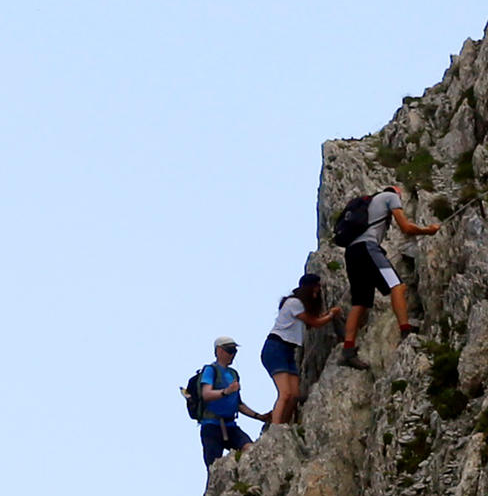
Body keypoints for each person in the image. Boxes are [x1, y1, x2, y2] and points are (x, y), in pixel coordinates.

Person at [337, 183, 440, 367]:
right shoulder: (390, 197)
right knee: (397, 286)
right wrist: (428, 231)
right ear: (397, 194)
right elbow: (406, 228)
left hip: (352, 253)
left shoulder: (369, 204)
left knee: (360, 303)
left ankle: (348, 350)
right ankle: (406, 330)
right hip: (368, 249)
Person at [262, 273, 342, 424]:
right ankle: (276, 428)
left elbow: (312, 322)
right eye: (317, 286)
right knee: (285, 393)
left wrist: (327, 315)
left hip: (287, 349)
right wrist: (331, 315)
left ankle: (283, 425)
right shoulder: (294, 303)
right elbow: (316, 323)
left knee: (294, 395)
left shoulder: (298, 305)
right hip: (276, 347)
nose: (318, 290)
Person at [187, 336, 267, 469]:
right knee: (214, 467)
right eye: (230, 350)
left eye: (234, 351)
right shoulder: (210, 370)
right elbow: (206, 394)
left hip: (230, 425)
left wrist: (259, 416)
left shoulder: (233, 373)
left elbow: (238, 404)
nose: (233, 354)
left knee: (250, 450)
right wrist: (226, 391)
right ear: (219, 351)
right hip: (211, 426)